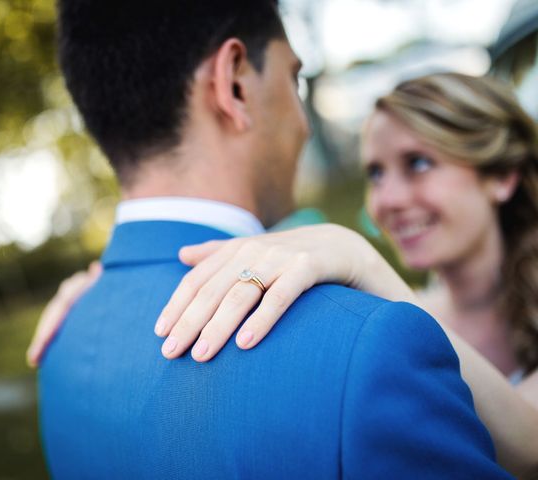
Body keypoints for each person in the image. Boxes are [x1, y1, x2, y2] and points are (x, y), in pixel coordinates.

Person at [37, 1, 515, 477]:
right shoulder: (371, 345)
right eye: (294, 79)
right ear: (235, 85)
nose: (305, 126)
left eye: (420, 163)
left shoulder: (62, 336)